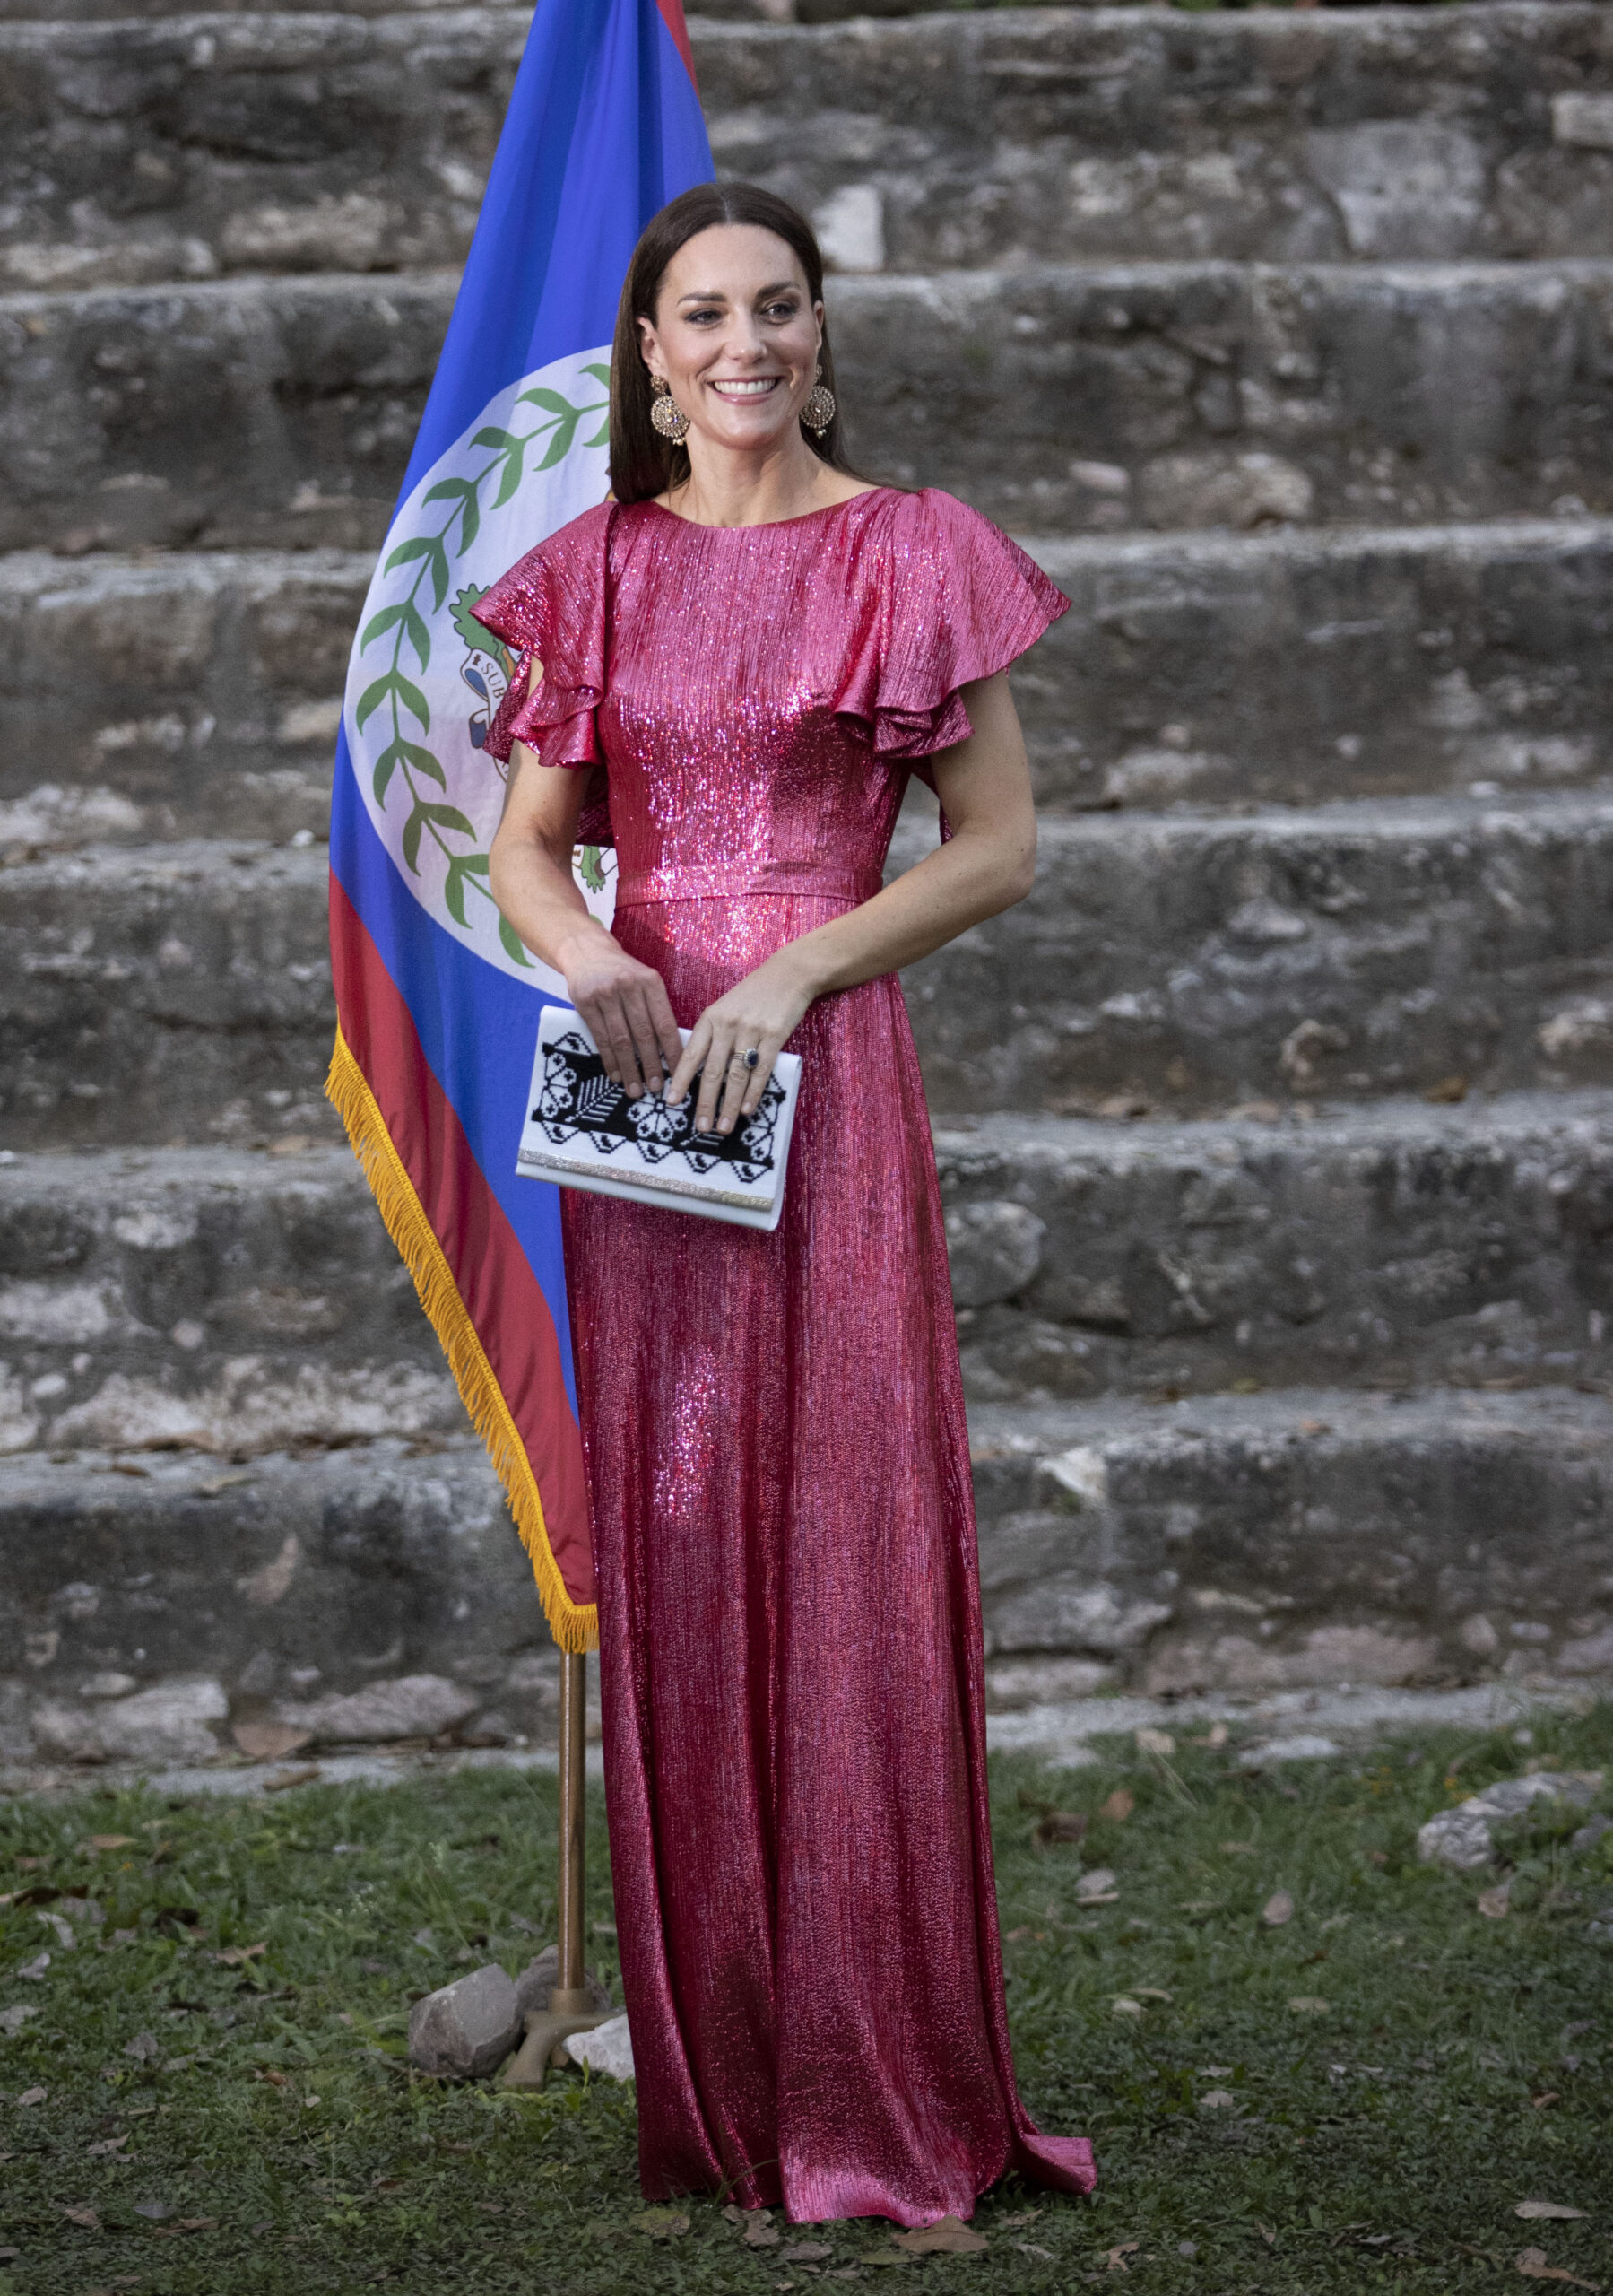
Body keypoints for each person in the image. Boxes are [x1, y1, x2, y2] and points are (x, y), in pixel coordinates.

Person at [477, 180, 1095, 2230]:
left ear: (822, 334)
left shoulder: (912, 551)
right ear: (649, 355)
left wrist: (800, 960)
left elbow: (998, 846)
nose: (743, 343)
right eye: (702, 314)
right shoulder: (598, 572)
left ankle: (875, 2067)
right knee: (674, 1526)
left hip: (822, 1084)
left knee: (842, 1532)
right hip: (648, 1105)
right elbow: (528, 850)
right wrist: (588, 954)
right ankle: (726, 2072)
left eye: (779, 308)